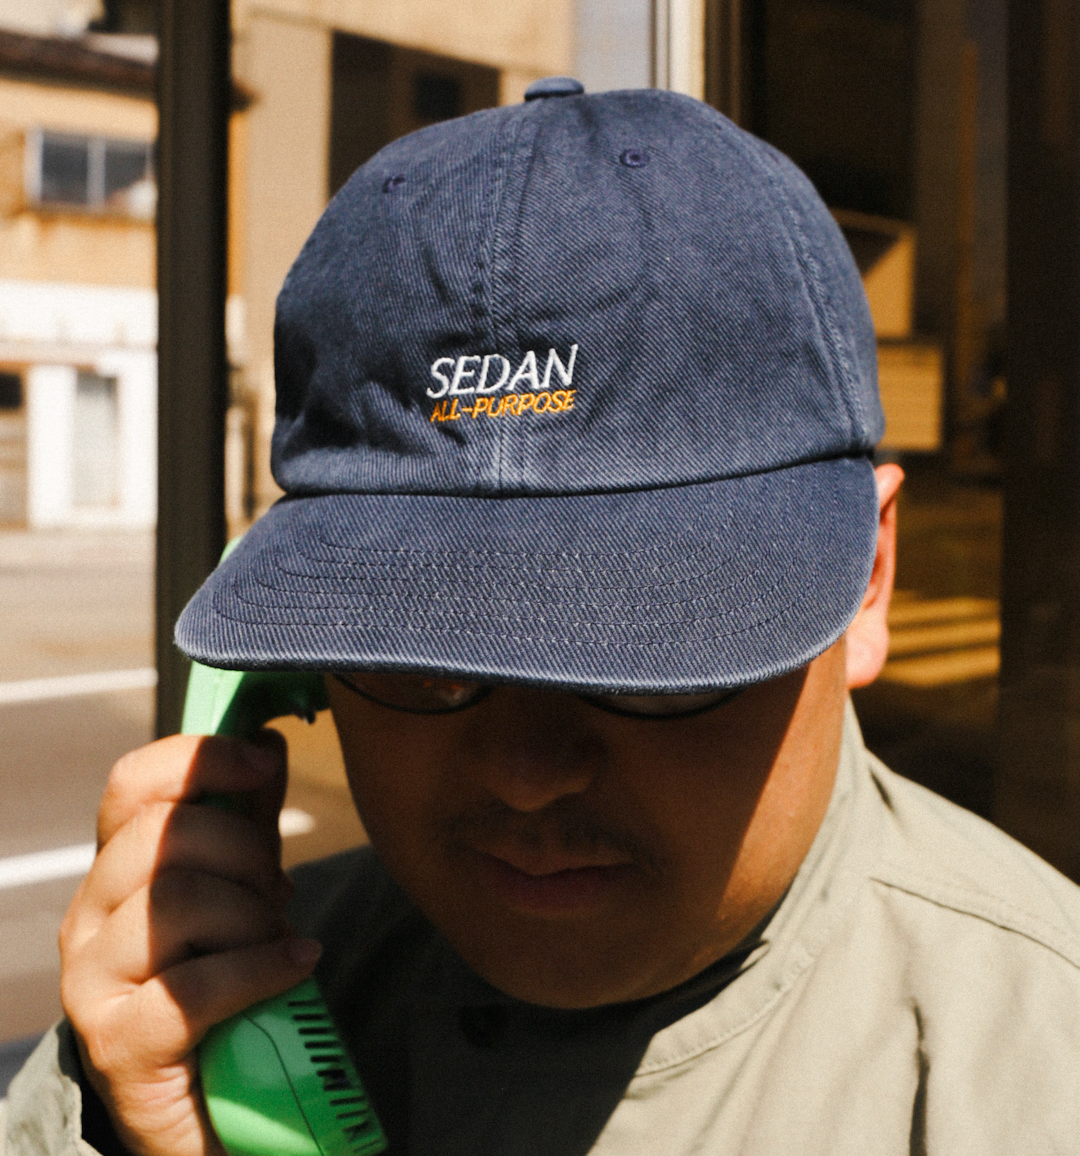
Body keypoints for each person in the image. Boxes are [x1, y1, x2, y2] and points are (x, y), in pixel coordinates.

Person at [6, 80, 1080, 1156]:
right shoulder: (198, 1019)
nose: (527, 773)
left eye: (651, 657)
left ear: (869, 583)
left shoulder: (1035, 1069)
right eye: (418, 658)